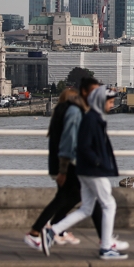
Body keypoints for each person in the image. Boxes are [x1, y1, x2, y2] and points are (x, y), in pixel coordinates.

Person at [42, 85, 128, 260]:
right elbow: (85, 146)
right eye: (110, 102)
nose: (112, 105)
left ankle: (53, 231)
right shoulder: (93, 119)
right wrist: (98, 162)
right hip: (93, 170)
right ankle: (106, 247)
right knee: (109, 205)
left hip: (85, 169)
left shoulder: (92, 117)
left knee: (87, 208)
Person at [23, 77, 101, 250]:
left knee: (69, 198)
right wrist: (64, 169)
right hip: (67, 166)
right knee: (69, 198)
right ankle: (40, 231)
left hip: (61, 165)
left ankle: (54, 230)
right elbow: (70, 144)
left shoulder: (59, 116)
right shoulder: (73, 114)